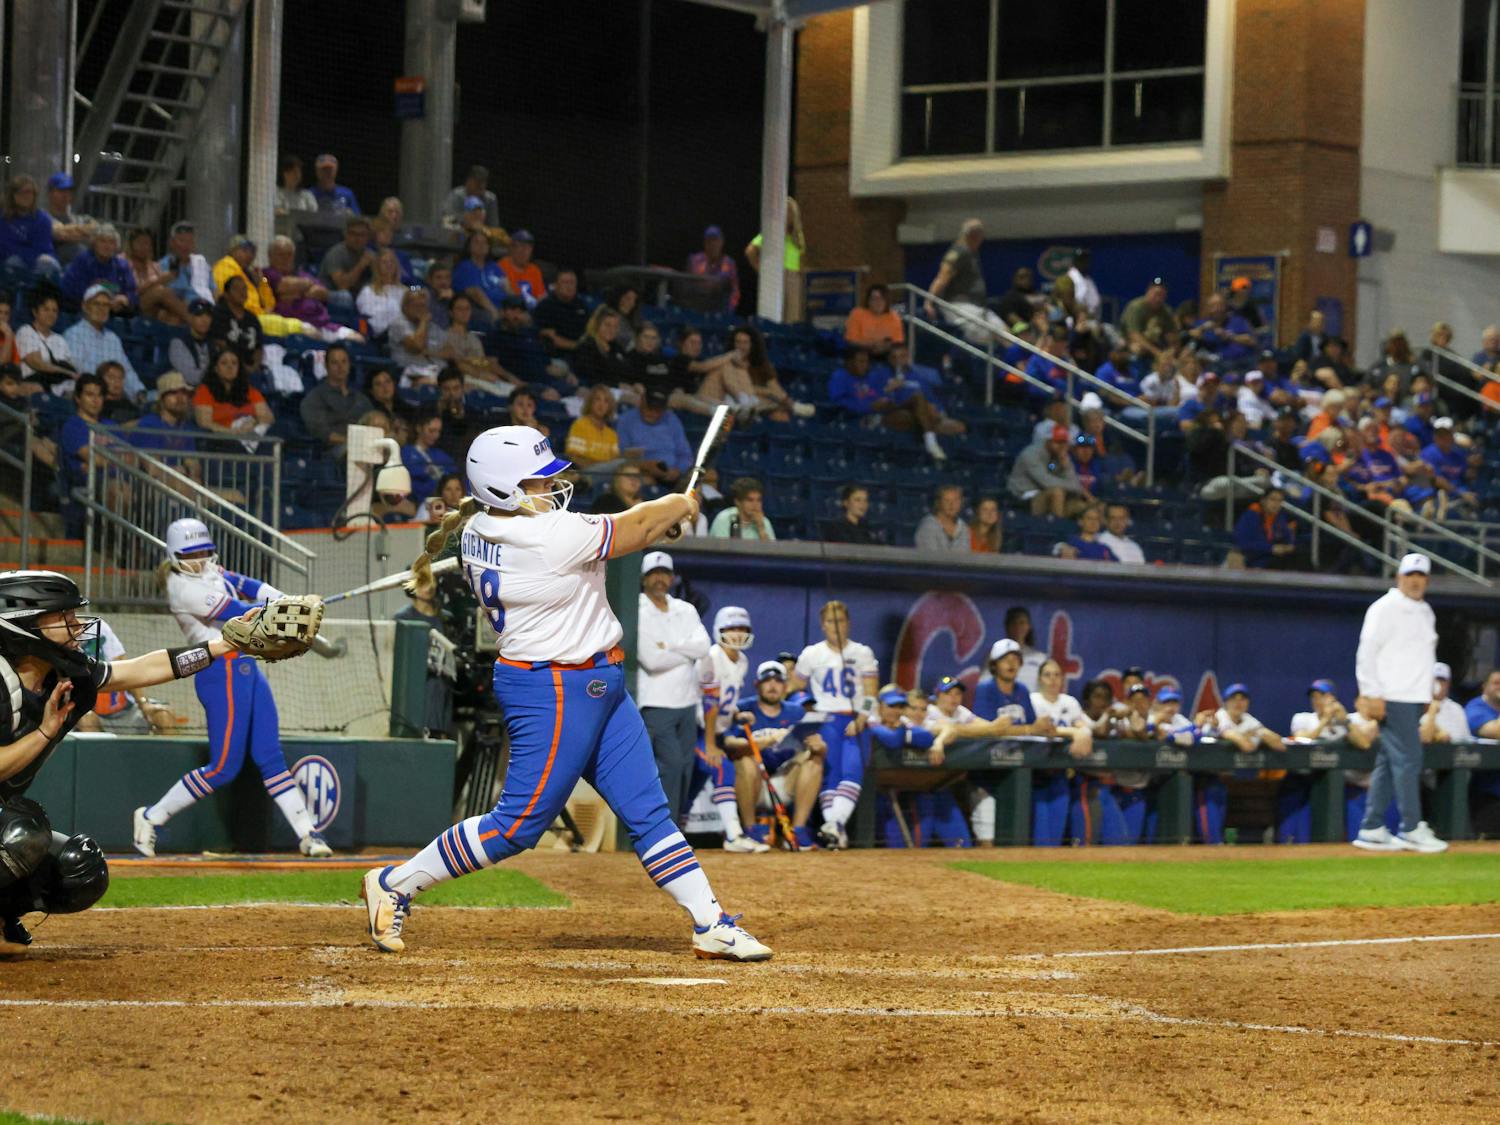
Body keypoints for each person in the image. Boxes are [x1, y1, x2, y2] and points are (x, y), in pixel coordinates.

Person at [362, 444, 770, 960]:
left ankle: (710, 922)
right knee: (516, 826)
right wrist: (682, 506)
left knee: (648, 811)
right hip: (553, 689)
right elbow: (639, 525)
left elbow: (619, 540)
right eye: (535, 482)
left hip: (597, 681)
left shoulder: (481, 529)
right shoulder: (544, 535)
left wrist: (661, 520)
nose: (550, 488)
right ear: (503, 489)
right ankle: (395, 883)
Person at [0, 569, 313, 955]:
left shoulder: (65, 674)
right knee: (22, 833)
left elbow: (142, 670)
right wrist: (45, 732)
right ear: (24, 624)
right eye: (63, 617)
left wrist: (221, 646)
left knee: (80, 870)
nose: (77, 624)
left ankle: (3, 917)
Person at [131, 519, 331, 859]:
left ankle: (308, 834)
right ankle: (151, 817)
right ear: (175, 555)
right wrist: (287, 609)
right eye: (191, 554)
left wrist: (285, 598)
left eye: (204, 552)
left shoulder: (211, 570)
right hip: (217, 669)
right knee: (223, 767)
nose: (200, 560)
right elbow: (238, 613)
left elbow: (248, 584)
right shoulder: (183, 588)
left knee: (270, 756)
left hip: (246, 664)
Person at [1351, 552, 1447, 852]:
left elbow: (1423, 657)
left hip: (1413, 696)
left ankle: (1372, 827)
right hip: (1391, 695)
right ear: (1399, 577)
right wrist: (1370, 692)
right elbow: (1366, 652)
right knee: (1409, 760)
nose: (1415, 581)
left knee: (1389, 762)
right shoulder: (1385, 608)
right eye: (1410, 575)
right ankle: (1411, 827)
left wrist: (1429, 692)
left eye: (1421, 576)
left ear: (1427, 580)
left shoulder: (1426, 612)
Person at [789, 600, 880, 850]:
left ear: (848, 623)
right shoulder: (811, 654)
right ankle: (835, 829)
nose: (836, 626)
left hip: (854, 719)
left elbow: (872, 691)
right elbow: (794, 685)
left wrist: (862, 717)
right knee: (830, 776)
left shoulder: (862, 653)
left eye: (840, 620)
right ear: (822, 625)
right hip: (825, 719)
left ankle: (835, 824)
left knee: (853, 770)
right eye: (830, 621)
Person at [632, 550, 713, 822]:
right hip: (656, 701)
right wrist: (685, 650)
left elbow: (704, 647)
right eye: (653, 574)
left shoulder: (685, 609)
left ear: (672, 577)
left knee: (686, 766)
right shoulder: (637, 609)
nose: (659, 579)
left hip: (688, 700)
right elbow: (653, 660)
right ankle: (661, 827)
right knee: (670, 765)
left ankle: (676, 823)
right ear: (644, 579)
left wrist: (671, 648)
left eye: (664, 574)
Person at [692, 607, 768, 853]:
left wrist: (736, 714)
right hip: (699, 730)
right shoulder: (712, 657)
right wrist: (713, 743)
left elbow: (725, 701)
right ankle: (734, 836)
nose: (737, 634)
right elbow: (709, 703)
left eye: (742, 628)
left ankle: (677, 835)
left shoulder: (742, 661)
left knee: (694, 784)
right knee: (721, 767)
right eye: (732, 628)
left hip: (718, 731)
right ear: (720, 630)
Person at [828, 346, 950, 460]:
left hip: (885, 412)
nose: (865, 365)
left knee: (917, 402)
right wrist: (871, 404)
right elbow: (839, 404)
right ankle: (930, 440)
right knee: (919, 416)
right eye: (861, 361)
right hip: (865, 417)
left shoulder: (870, 377)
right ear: (849, 362)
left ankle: (930, 441)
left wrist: (886, 393)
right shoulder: (839, 377)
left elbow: (882, 398)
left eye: (866, 362)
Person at [924, 218, 1004, 344]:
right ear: (973, 236)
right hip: (959, 306)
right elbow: (942, 277)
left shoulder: (972, 253)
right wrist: (929, 301)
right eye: (980, 235)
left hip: (977, 306)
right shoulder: (959, 252)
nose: (982, 239)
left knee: (1005, 333)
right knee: (985, 338)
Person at [63, 284, 145, 400]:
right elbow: (78, 371)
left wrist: (138, 392)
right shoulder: (74, 334)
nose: (102, 309)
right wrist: (107, 386)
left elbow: (127, 370)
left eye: (106, 305)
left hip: (114, 397)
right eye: (96, 304)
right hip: (90, 397)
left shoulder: (113, 338)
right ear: (85, 307)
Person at [300, 344, 372, 455]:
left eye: (344, 362)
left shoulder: (360, 398)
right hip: (332, 452)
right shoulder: (315, 397)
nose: (340, 367)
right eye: (335, 362)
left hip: (365, 447)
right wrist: (352, 443)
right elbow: (321, 432)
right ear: (326, 366)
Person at [616, 389, 693, 490]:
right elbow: (622, 456)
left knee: (708, 476)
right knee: (645, 479)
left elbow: (686, 455)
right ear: (642, 400)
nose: (653, 412)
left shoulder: (672, 419)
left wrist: (677, 470)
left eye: (658, 409)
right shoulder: (625, 420)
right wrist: (646, 466)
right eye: (649, 407)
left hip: (673, 474)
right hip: (642, 472)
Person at [745, 198, 806, 320]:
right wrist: (761, 270)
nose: (787, 215)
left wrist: (799, 273)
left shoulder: (798, 236)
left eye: (789, 211)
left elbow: (801, 257)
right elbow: (750, 251)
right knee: (774, 312)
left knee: (792, 315)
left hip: (793, 277)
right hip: (777, 274)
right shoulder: (773, 233)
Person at [1008, 424, 1088, 517]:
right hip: (1024, 497)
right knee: (1057, 492)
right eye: (1058, 442)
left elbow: (1076, 485)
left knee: (1080, 506)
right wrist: (1072, 486)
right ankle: (1056, 527)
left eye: (1064, 442)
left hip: (1046, 495)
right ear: (1048, 441)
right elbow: (1047, 482)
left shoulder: (1061, 455)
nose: (1061, 446)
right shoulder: (1031, 455)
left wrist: (1065, 467)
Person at [192, 349, 273, 437]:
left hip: (250, 435)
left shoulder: (250, 391)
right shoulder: (204, 391)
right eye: (224, 363)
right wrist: (231, 432)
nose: (230, 367)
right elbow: (205, 423)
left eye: (234, 363)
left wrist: (254, 421)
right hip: (222, 437)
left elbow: (268, 417)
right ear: (215, 369)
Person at [0, 174, 61, 281]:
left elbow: (42, 248)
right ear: (12, 195)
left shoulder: (43, 219)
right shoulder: (3, 219)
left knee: (47, 262)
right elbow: (4, 247)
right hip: (9, 265)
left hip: (39, 263)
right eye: (21, 192)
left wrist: (20, 251)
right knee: (13, 262)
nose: (26, 196)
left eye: (30, 192)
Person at [60, 225, 135, 313]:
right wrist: (102, 297)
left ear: (116, 246)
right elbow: (71, 289)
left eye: (111, 242)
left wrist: (125, 298)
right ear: (94, 243)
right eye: (102, 241)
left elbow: (132, 292)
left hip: (114, 310)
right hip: (83, 308)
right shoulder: (83, 260)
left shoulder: (122, 265)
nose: (107, 246)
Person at [125, 227, 189, 324]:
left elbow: (167, 295)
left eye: (147, 243)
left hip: (153, 308)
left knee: (173, 315)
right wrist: (159, 280)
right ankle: (193, 321)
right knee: (159, 291)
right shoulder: (123, 262)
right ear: (131, 244)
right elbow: (134, 290)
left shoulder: (154, 266)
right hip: (131, 303)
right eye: (140, 243)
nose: (144, 247)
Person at [15, 294, 75, 391]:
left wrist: (69, 373)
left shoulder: (60, 339)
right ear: (35, 312)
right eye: (46, 309)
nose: (51, 314)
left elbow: (70, 366)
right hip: (33, 384)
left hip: (59, 388)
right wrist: (65, 372)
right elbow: (36, 363)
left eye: (54, 311)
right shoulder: (26, 331)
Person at [207, 275, 263, 372]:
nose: (242, 292)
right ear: (226, 294)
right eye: (236, 288)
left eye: (244, 288)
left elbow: (258, 348)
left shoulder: (252, 318)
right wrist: (240, 365)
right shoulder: (218, 314)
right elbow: (219, 343)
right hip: (228, 367)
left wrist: (254, 366)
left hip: (251, 369)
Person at [402, 411, 460, 504]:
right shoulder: (406, 451)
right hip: (420, 503)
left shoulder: (439, 453)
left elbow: (455, 474)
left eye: (438, 431)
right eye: (431, 430)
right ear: (419, 428)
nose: (436, 436)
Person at [1233, 487, 1297, 569]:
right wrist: (1271, 548)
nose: (1276, 504)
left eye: (1280, 501)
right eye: (1273, 499)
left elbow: (1287, 537)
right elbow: (1242, 543)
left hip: (1272, 559)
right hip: (1253, 560)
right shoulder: (1250, 516)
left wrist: (1289, 546)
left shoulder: (1280, 518)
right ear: (1263, 500)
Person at [43, 171, 96, 267]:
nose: (65, 195)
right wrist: (82, 232)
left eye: (68, 191)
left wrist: (69, 230)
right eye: (61, 191)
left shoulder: (79, 219)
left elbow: (95, 229)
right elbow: (59, 234)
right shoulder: (43, 218)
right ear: (50, 193)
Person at [211, 235, 273, 316]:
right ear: (232, 251)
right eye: (245, 250)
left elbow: (270, 304)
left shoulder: (250, 273)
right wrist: (263, 313)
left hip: (257, 316)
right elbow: (238, 300)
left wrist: (262, 281)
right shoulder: (225, 266)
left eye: (253, 252)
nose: (250, 255)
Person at [157, 220, 214, 308]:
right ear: (171, 242)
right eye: (182, 240)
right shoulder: (162, 266)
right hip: (180, 311)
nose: (186, 245)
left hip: (206, 308)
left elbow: (214, 290)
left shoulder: (201, 263)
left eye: (190, 241)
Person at [454, 229, 507, 323]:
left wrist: (515, 308)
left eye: (484, 242)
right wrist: (494, 312)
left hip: (503, 309)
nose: (481, 245)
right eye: (476, 242)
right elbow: (475, 293)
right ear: (469, 246)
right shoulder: (465, 267)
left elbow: (508, 288)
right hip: (482, 309)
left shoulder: (494, 266)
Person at [534, 268, 589, 356]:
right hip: (559, 354)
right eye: (565, 282)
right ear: (555, 285)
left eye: (572, 282)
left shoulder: (582, 305)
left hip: (583, 354)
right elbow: (549, 337)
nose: (569, 286)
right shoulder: (546, 306)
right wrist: (577, 346)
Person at [686, 225, 739, 312]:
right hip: (698, 309)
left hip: (722, 311)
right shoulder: (695, 260)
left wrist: (729, 311)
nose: (713, 244)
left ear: (722, 242)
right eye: (709, 241)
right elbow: (691, 286)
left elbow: (735, 291)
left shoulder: (729, 263)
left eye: (715, 240)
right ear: (704, 243)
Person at [1120, 278, 1176, 359]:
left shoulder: (1166, 311)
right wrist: (1157, 353)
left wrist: (1171, 350)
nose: (1158, 299)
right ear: (1148, 292)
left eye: (1162, 295)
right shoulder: (1136, 307)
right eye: (1156, 294)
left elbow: (1171, 335)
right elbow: (1134, 335)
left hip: (1156, 345)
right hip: (1130, 343)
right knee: (1137, 348)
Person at [355, 251, 408, 339]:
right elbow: (365, 317)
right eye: (384, 262)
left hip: (403, 333)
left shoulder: (406, 291)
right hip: (378, 334)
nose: (388, 265)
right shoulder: (367, 291)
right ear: (378, 266)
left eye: (391, 261)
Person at [844, 284, 905, 358]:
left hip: (886, 353)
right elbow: (851, 341)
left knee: (899, 353)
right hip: (863, 351)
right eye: (874, 299)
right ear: (868, 300)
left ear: (886, 301)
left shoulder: (894, 317)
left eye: (881, 299)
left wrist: (883, 347)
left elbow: (897, 342)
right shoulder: (857, 314)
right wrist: (871, 345)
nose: (878, 302)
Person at [709, 476, 775, 540]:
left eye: (759, 500)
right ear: (737, 501)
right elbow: (722, 549)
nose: (755, 505)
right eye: (750, 500)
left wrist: (761, 529)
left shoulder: (764, 522)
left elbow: (772, 550)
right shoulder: (724, 519)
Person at [1422, 663, 1472, 744]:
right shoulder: (1417, 705)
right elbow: (1425, 737)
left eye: (1442, 680)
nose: (1437, 683)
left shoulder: (1457, 709)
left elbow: (1466, 740)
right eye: (1434, 679)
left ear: (1448, 684)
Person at [1054, 504, 1118, 562]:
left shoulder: (1104, 548)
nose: (1093, 522)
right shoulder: (1071, 541)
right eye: (1089, 518)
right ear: (1080, 521)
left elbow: (1118, 566)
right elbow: (1053, 549)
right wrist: (1060, 548)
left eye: (1097, 519)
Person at [914, 483, 968, 552]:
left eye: (956, 500)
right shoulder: (928, 526)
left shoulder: (964, 528)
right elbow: (929, 558)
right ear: (938, 503)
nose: (952, 504)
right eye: (946, 500)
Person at [498, 231, 545, 308]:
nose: (524, 251)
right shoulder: (503, 265)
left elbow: (540, 296)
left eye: (528, 248)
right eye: (521, 246)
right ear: (511, 249)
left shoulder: (535, 270)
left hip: (531, 311)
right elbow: (508, 293)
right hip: (510, 309)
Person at [1465, 669, 1500, 740]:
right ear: (1485, 686)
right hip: (1483, 750)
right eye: (1496, 683)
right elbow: (1497, 733)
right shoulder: (1474, 708)